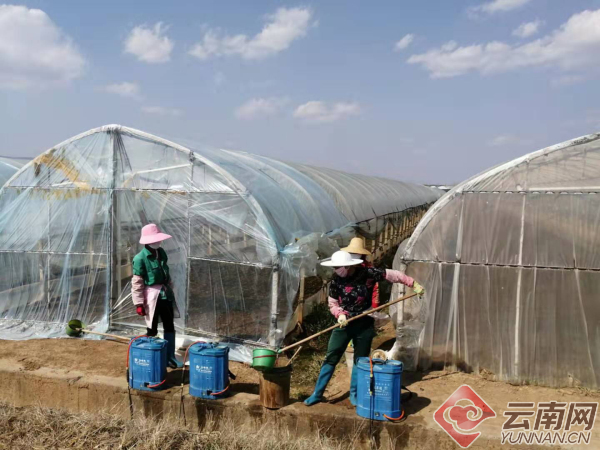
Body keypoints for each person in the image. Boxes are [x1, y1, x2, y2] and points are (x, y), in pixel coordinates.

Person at [304, 250, 424, 407]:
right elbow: (332, 303)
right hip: (344, 324)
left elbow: (394, 275)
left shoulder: (368, 273)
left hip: (364, 321)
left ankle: (354, 393)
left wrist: (413, 284)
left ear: (348, 266)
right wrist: (339, 314)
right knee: (332, 355)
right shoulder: (336, 282)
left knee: (360, 359)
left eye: (338, 267)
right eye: (335, 267)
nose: (336, 270)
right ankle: (317, 394)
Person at [131, 223, 183, 368]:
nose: (158, 242)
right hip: (152, 296)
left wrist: (170, 287)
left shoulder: (161, 253)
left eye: (158, 239)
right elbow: (137, 282)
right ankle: (149, 357)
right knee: (152, 328)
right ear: (147, 241)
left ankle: (170, 356)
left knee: (169, 325)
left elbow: (166, 272)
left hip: (165, 294)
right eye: (155, 240)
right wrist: (139, 303)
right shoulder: (140, 258)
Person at [341, 237, 379, 308]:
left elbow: (375, 288)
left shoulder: (368, 269)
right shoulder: (346, 267)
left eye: (355, 253)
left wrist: (374, 306)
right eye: (352, 253)